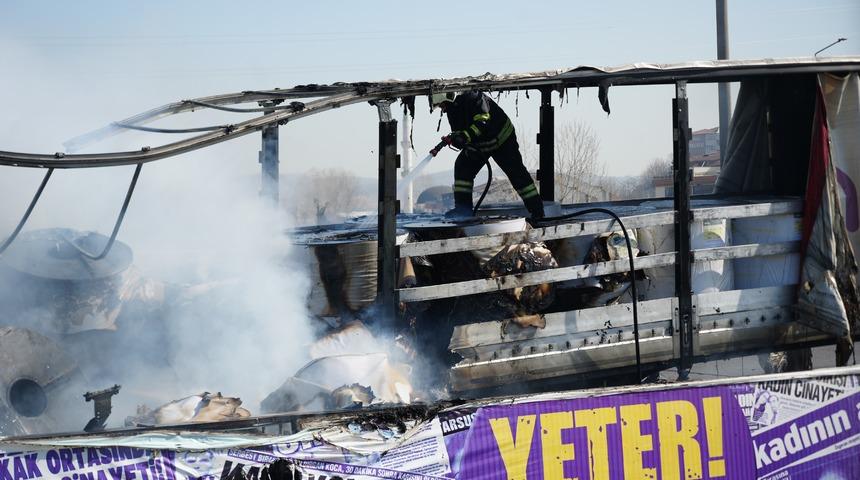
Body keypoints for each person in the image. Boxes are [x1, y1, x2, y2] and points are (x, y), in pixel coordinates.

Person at [430, 91, 544, 219]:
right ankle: (463, 212)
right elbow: (459, 131)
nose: (442, 109)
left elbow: (483, 122)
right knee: (462, 167)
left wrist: (465, 136)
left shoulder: (473, 97)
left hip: (502, 140)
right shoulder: (452, 110)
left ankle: (537, 211)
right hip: (480, 145)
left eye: (442, 105)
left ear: (448, 97)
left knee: (517, 174)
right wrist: (457, 139)